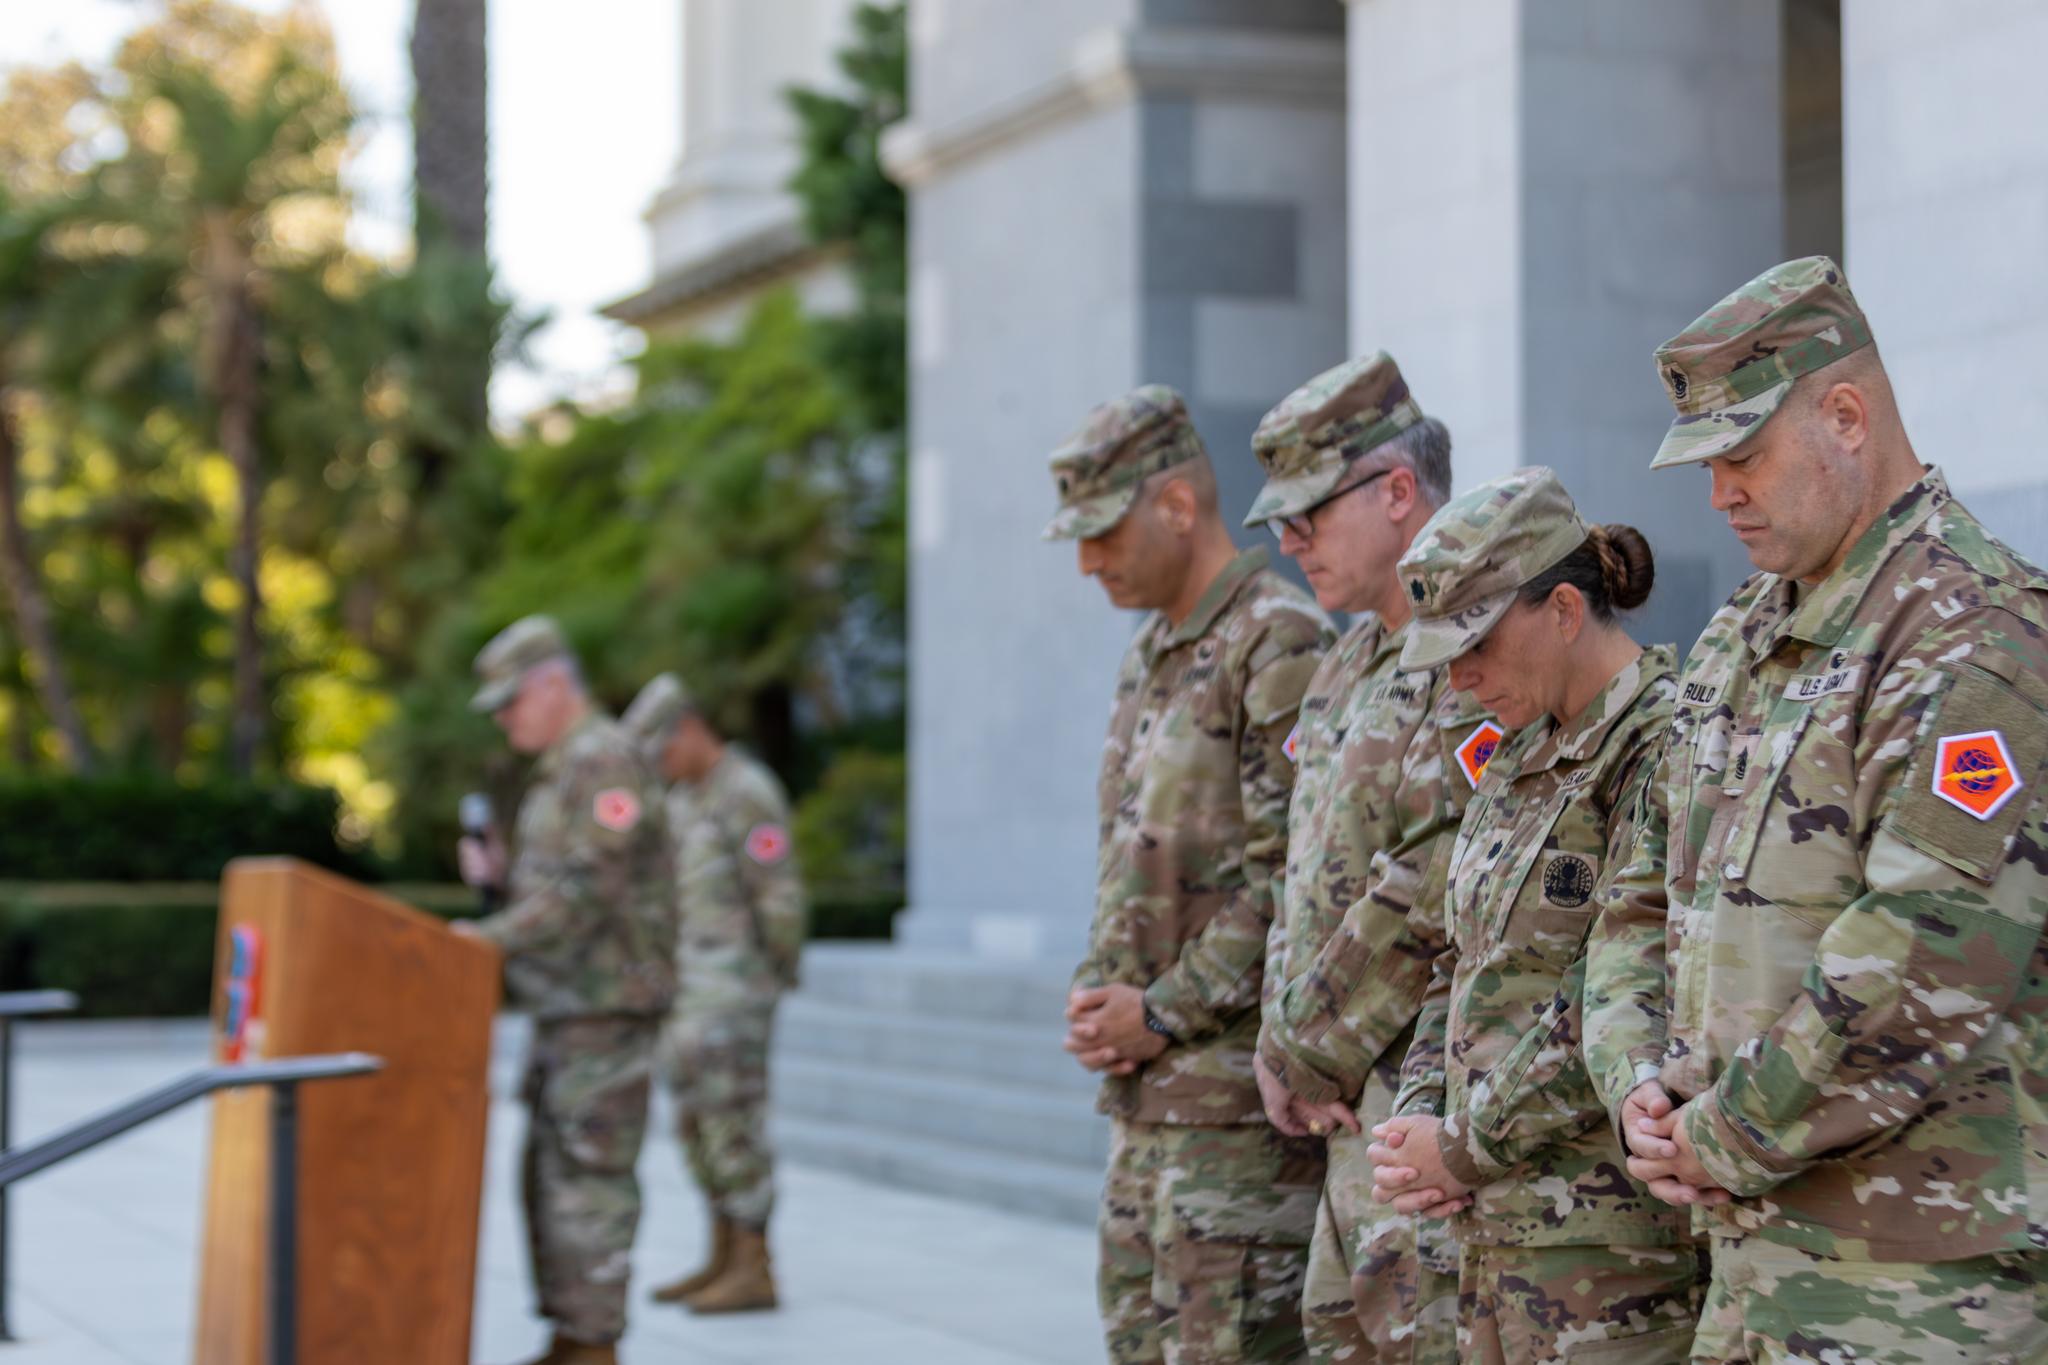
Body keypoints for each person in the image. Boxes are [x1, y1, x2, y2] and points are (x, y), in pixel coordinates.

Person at [1591, 255, 2048, 1364]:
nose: (1717, 496)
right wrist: (1632, 1083)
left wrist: (1725, 1133)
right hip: (1743, 1272)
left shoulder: (1974, 634)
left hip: (1914, 1296)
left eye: (1741, 455)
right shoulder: (1735, 640)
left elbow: (1923, 954)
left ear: (1844, 416)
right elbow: (1630, 896)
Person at [1367, 469, 1703, 1363]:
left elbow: (1618, 983)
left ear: (1562, 607)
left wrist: (1462, 1145)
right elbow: (1459, 954)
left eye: (1476, 643)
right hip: (1489, 1233)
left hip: (1606, 1258)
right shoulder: (1517, 758)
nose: (1461, 678)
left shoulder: (1664, 743)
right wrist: (1418, 1114)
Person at [1046, 384, 1335, 1363]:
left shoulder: (1275, 639)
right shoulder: (1149, 656)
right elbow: (1137, 859)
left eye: (1102, 532)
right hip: (1147, 1110)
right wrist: (1103, 996)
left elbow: (1294, 877)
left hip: (1233, 1125)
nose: (1087, 561)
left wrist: (1161, 1008)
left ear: (1175, 505)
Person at [1242, 352, 1491, 1362]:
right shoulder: (1344, 661)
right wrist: (1276, 1037)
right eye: (1278, 524)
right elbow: (1297, 874)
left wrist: (1305, 1043)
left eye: (1308, 513)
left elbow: (1445, 871)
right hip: (1348, 1111)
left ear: (1396, 492)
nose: (1289, 541)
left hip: (1424, 1111)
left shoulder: (1478, 641)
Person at [456, 616, 677, 1365]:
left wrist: (487, 939)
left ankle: (592, 1344)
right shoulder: (562, 769)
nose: (503, 717)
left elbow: (589, 887)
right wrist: (496, 881)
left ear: (553, 683)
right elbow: (556, 884)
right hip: (567, 1005)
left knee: (588, 1178)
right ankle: (571, 1337)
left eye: (510, 700)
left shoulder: (604, 759)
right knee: (549, 1178)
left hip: (605, 1006)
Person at [620, 672, 806, 1315]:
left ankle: (755, 1263)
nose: (659, 766)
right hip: (689, 992)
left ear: (691, 729)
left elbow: (778, 896)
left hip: (735, 992)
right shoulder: (683, 799)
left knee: (734, 1124)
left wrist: (774, 976)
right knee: (696, 1125)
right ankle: (722, 1252)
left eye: (662, 751)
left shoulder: (746, 792)